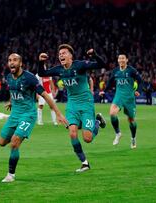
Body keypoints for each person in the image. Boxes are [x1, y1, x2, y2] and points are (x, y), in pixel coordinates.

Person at [0, 53, 67, 183]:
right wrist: (11, 101)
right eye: (9, 60)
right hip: (14, 115)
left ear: (21, 63)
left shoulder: (30, 78)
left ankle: (11, 175)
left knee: (14, 142)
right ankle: (18, 137)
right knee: (1, 142)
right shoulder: (9, 77)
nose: (11, 62)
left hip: (28, 115)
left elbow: (46, 95)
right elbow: (15, 92)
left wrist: (58, 113)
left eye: (15, 60)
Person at [38, 44, 106, 173]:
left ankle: (97, 122)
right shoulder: (59, 70)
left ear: (70, 56)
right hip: (72, 104)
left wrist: (94, 55)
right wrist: (41, 62)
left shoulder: (80, 65)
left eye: (64, 53)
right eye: (60, 54)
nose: (61, 55)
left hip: (86, 103)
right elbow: (42, 73)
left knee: (87, 138)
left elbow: (102, 64)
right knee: (72, 133)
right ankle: (84, 163)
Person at [100, 53, 143, 149]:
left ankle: (133, 138)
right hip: (118, 96)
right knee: (112, 113)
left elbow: (140, 81)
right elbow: (110, 82)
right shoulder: (115, 71)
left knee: (131, 120)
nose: (121, 60)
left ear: (127, 60)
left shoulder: (131, 70)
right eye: (120, 58)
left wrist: (138, 91)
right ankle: (118, 133)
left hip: (129, 98)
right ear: (118, 60)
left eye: (123, 58)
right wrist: (104, 91)